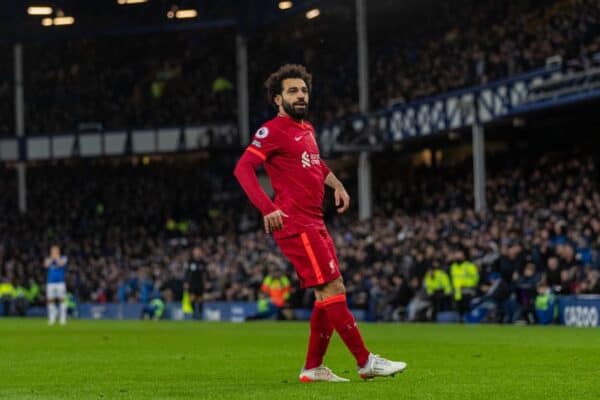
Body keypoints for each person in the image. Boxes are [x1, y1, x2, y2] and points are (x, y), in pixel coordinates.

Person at [234, 64, 406, 382]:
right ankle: (365, 361)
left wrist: (337, 184)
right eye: (292, 91)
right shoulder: (271, 131)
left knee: (325, 295)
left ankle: (313, 368)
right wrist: (267, 208)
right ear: (277, 99)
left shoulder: (307, 129)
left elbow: (317, 164)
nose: (300, 96)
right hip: (295, 222)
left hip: (315, 221)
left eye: (303, 90)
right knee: (332, 287)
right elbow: (243, 169)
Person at [44, 245, 68, 325]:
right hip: (50, 283)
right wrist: (52, 258)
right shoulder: (48, 258)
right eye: (52, 251)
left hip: (60, 282)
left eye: (55, 250)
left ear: (58, 251)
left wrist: (56, 258)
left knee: (62, 300)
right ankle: (52, 318)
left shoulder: (63, 258)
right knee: (50, 300)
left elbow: (61, 264)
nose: (54, 252)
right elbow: (46, 265)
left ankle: (63, 318)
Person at [183, 246, 207, 319]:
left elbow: (205, 273)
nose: (197, 253)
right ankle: (194, 313)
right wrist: (186, 282)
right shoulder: (190, 262)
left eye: (198, 251)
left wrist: (205, 282)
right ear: (193, 253)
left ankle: (200, 314)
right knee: (192, 298)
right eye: (196, 251)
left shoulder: (203, 262)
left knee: (200, 299)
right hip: (192, 283)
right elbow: (186, 273)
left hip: (200, 283)